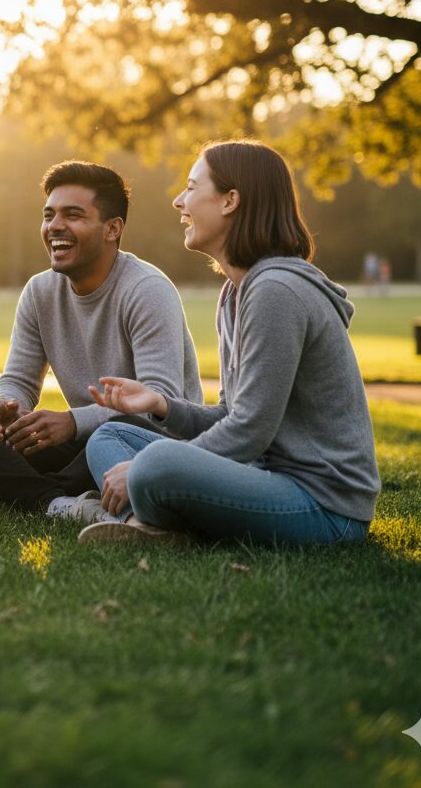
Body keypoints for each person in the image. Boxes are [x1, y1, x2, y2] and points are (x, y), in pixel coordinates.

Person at [80, 140, 380, 547]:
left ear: (230, 201)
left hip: (323, 506)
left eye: (191, 186)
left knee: (155, 463)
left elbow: (251, 429)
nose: (178, 201)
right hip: (263, 478)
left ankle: (149, 515)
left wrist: (145, 469)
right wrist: (161, 405)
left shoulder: (276, 290)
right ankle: (149, 525)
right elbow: (230, 413)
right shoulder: (235, 293)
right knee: (111, 437)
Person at [0, 160, 203, 518]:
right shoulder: (39, 291)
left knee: (113, 434)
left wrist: (73, 421)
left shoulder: (146, 290)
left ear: (112, 228)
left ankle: (15, 493)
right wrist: (2, 406)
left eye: (73, 215)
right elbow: (18, 379)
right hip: (80, 441)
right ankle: (57, 502)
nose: (55, 226)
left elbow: (158, 402)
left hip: (143, 441)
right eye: (49, 215)